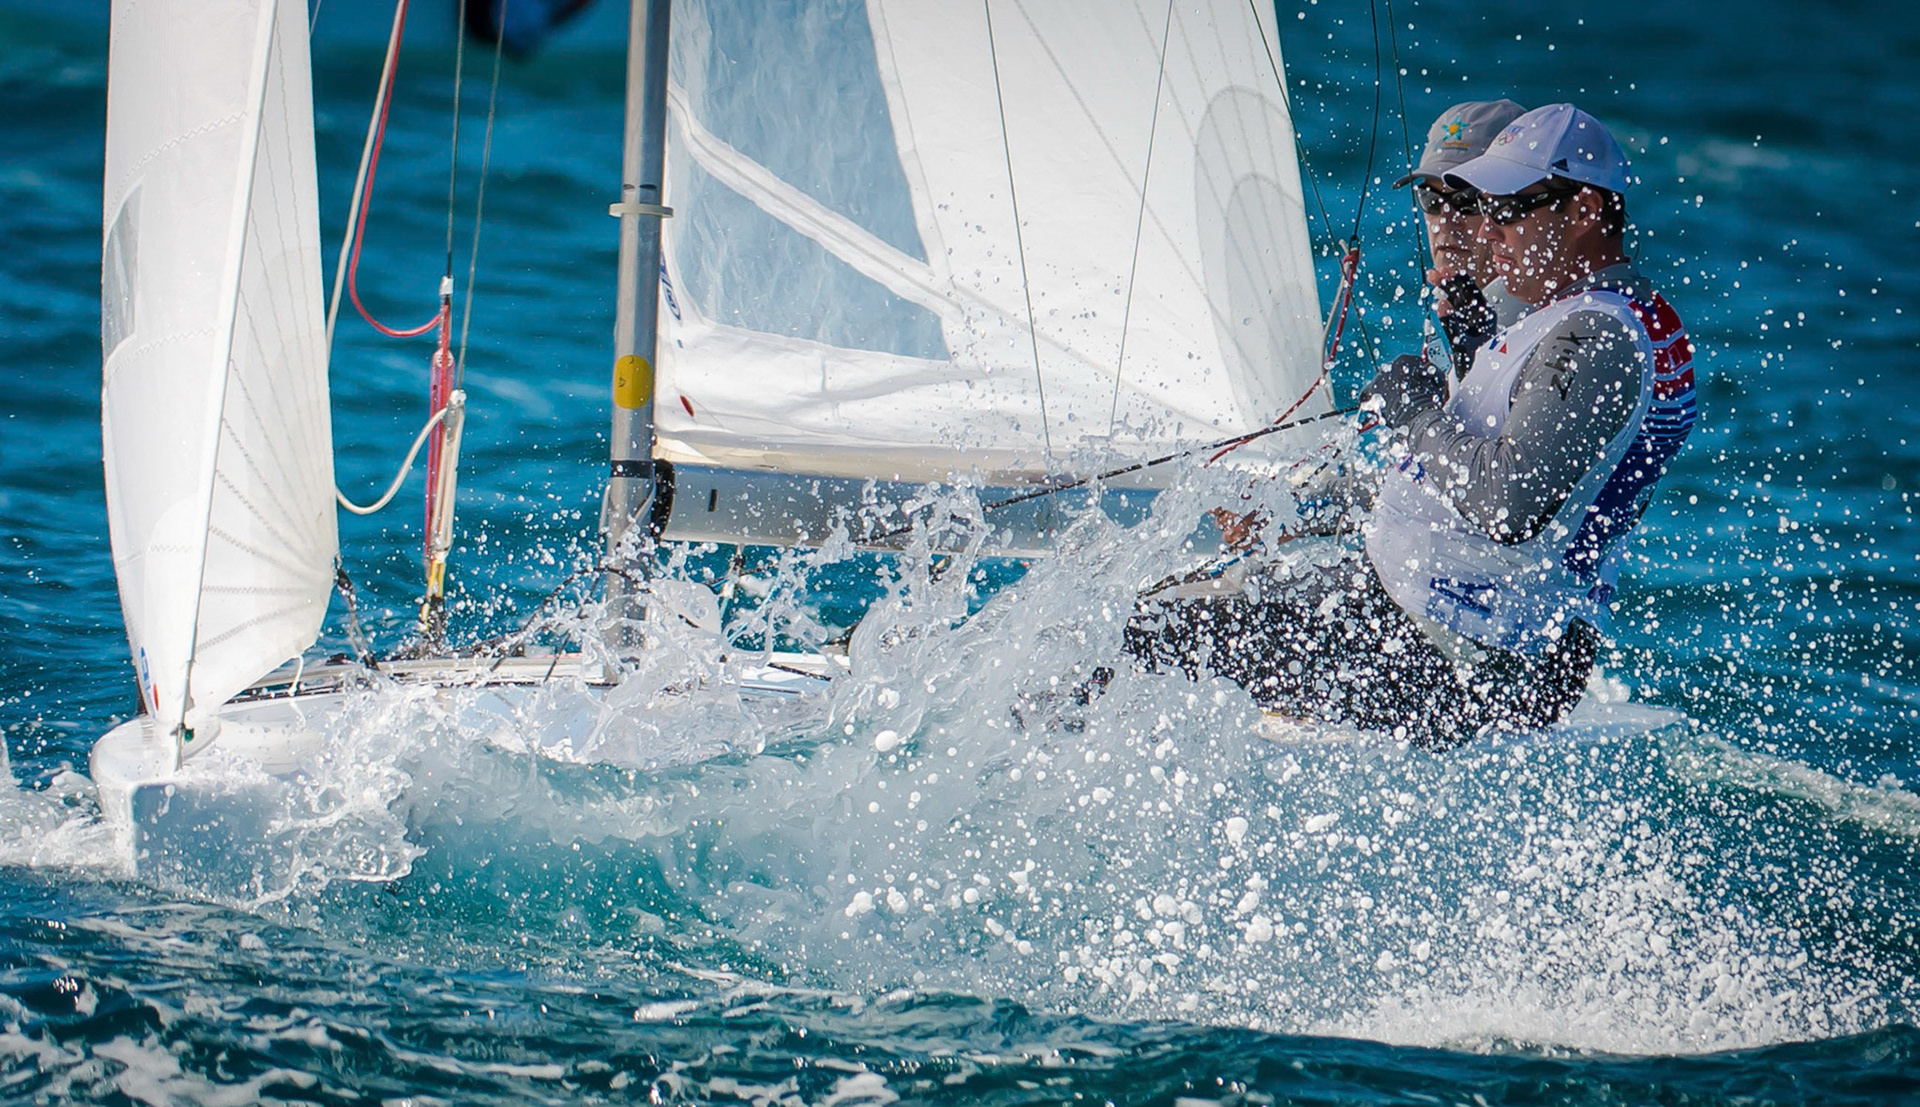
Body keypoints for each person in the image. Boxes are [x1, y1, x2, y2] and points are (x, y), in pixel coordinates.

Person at [1126, 104, 1698, 748]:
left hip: (1464, 660)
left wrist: (1417, 416)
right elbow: (1472, 494)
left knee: (1140, 627)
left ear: (1587, 210)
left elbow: (1506, 504)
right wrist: (1299, 512)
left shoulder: (1595, 333)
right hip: (1453, 626)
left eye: (1508, 211)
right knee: (1175, 602)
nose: (1486, 233)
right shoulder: (1596, 317)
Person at [1393, 99, 1530, 374]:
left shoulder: (1535, 323)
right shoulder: (1459, 312)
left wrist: (1417, 412)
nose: (1445, 222)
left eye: (1467, 200)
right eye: (1431, 200)